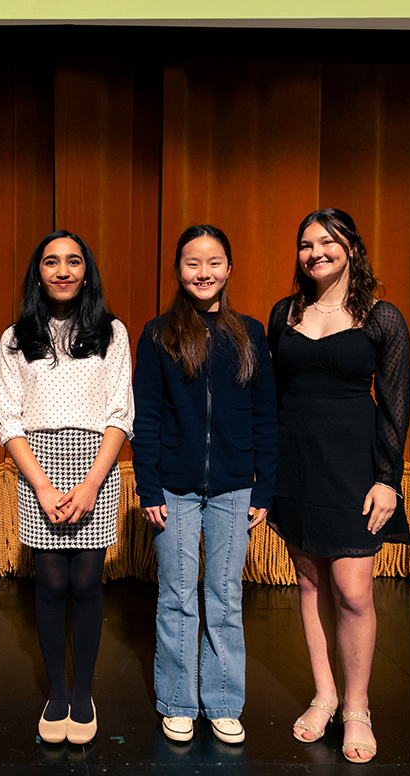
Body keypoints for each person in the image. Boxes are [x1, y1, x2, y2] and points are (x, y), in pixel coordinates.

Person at [267, 208, 410, 764]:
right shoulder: (285, 314)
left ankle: (357, 705)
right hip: (295, 460)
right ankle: (324, 693)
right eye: (305, 244)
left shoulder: (381, 317)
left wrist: (387, 480)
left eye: (327, 242)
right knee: (309, 585)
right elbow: (273, 398)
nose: (315, 252)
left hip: (353, 464)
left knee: (352, 592)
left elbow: (396, 405)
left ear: (351, 247)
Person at [131, 224, 277, 745]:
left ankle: (222, 701)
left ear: (229, 269)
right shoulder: (156, 334)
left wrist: (264, 490)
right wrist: (148, 488)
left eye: (214, 262)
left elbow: (266, 415)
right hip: (173, 487)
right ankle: (176, 701)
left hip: (236, 489)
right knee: (175, 595)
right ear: (178, 271)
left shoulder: (251, 333)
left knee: (223, 594)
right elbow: (144, 416)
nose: (204, 273)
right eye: (193, 263)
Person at [0, 231, 134, 745]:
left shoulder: (111, 332)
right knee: (51, 584)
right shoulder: (14, 337)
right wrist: (44, 486)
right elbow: (7, 419)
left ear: (86, 270)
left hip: (95, 465)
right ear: (38, 272)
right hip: (38, 469)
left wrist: (93, 482)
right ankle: (56, 692)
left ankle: (83, 693)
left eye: (73, 261)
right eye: (51, 262)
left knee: (86, 584)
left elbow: (121, 412)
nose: (62, 270)